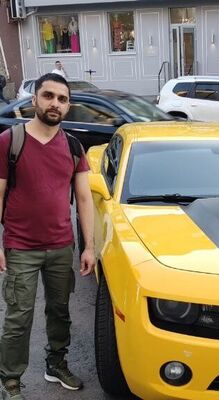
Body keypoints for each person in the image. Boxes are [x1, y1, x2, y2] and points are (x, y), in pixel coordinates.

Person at [0, 73, 96, 399]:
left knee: (60, 311)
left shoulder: (73, 147)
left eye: (62, 99)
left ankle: (55, 364)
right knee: (18, 317)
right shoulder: (10, 141)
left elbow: (84, 199)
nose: (55, 103)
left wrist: (89, 247)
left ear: (68, 106)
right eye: (48, 96)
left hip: (61, 246)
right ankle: (10, 382)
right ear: (34, 100)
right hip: (21, 246)